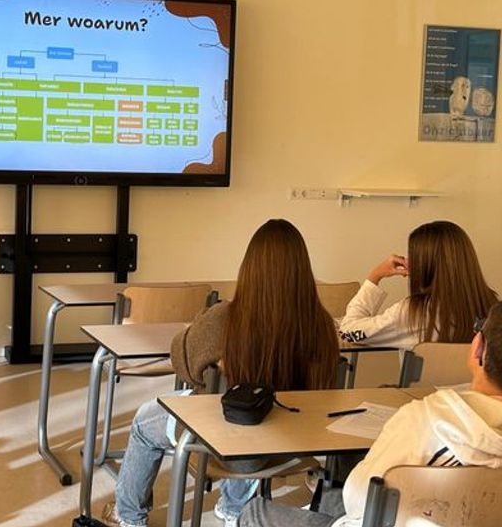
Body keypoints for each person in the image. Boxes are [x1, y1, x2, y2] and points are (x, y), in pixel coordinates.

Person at [102, 219, 340, 527]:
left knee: (144, 423)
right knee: (255, 425)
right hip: (287, 448)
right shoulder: (322, 326)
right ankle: (233, 507)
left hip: (220, 443)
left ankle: (128, 515)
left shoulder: (226, 317)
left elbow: (184, 366)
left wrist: (202, 321)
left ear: (249, 268)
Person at [239, 300, 502, 527]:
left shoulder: (426, 418)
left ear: (477, 348)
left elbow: (358, 499)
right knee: (329, 493)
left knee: (254, 512)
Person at [339, 220, 497, 350]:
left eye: (412, 255)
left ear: (424, 263)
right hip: (476, 381)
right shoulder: (492, 305)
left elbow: (348, 331)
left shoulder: (413, 313)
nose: (408, 260)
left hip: (426, 383)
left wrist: (375, 276)